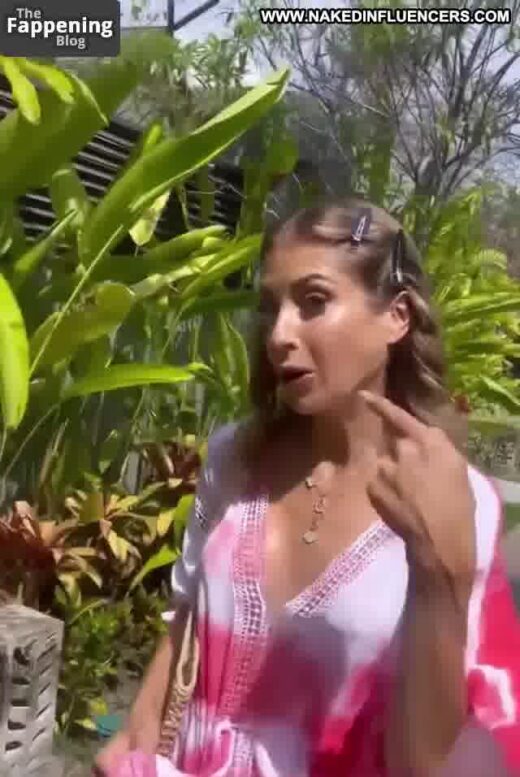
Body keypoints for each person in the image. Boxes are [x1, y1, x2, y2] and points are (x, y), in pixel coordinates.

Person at [95, 199, 520, 776]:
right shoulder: (235, 458)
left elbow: (427, 764)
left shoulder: (457, 499)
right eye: (271, 308)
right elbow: (184, 620)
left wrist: (434, 569)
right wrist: (133, 741)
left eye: (314, 301)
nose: (279, 335)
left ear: (396, 316)